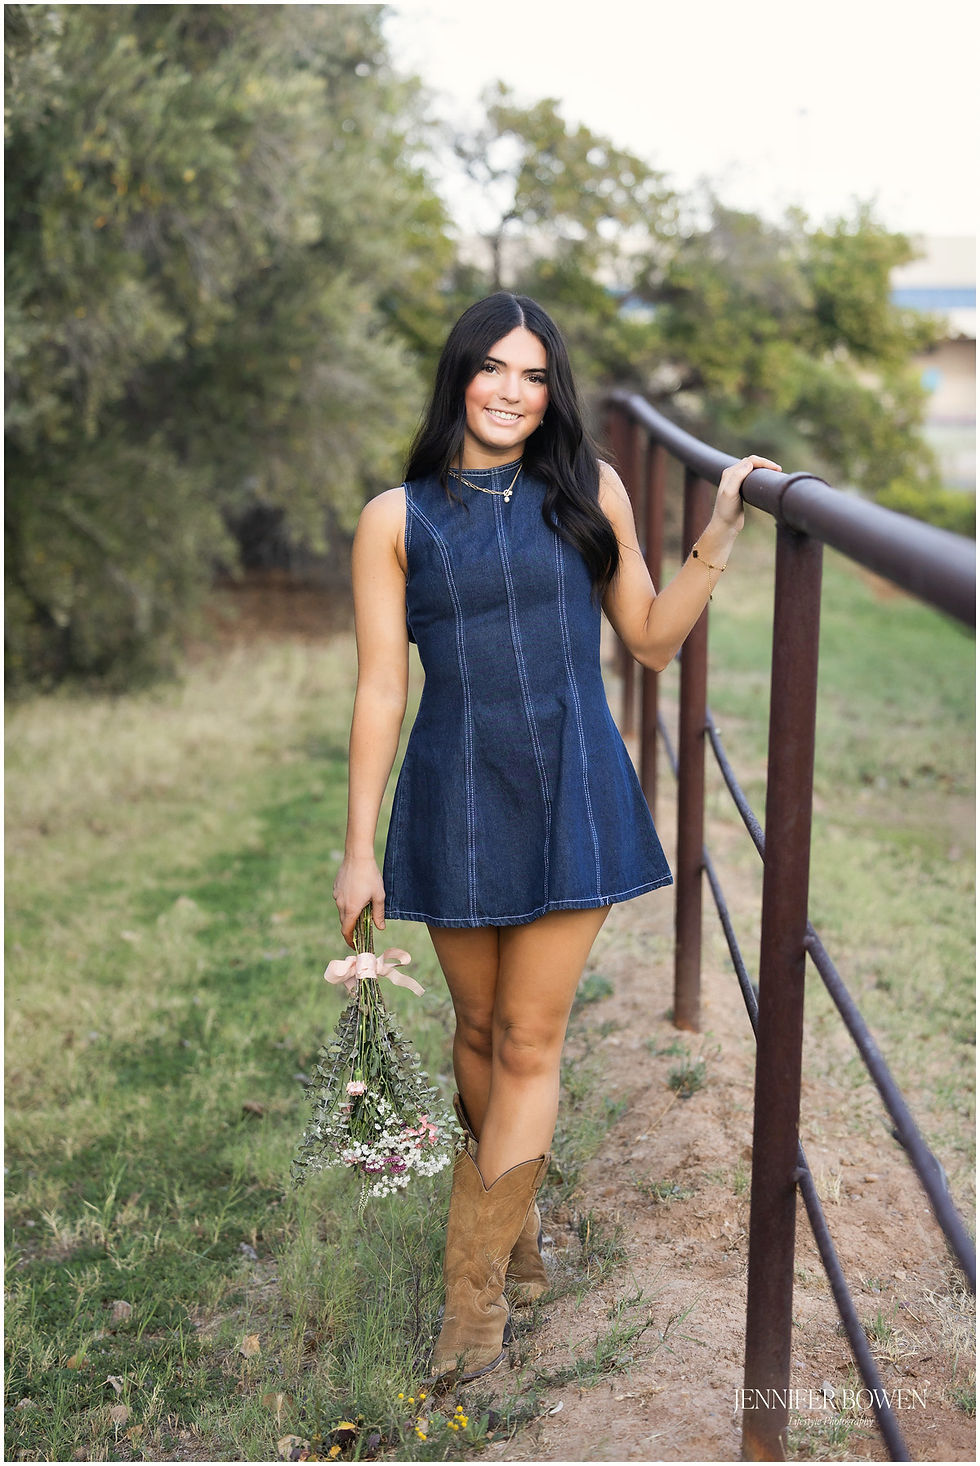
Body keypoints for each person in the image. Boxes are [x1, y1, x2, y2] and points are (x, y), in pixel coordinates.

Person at [332, 292, 779, 1384]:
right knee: (476, 1031)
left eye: (532, 375)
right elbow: (381, 687)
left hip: (572, 781)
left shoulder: (589, 488)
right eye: (492, 369)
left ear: (550, 391)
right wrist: (357, 845)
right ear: (458, 378)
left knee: (529, 1041)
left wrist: (717, 532)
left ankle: (470, 1303)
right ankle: (511, 1222)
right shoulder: (395, 517)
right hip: (454, 789)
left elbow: (650, 639)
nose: (510, 391)